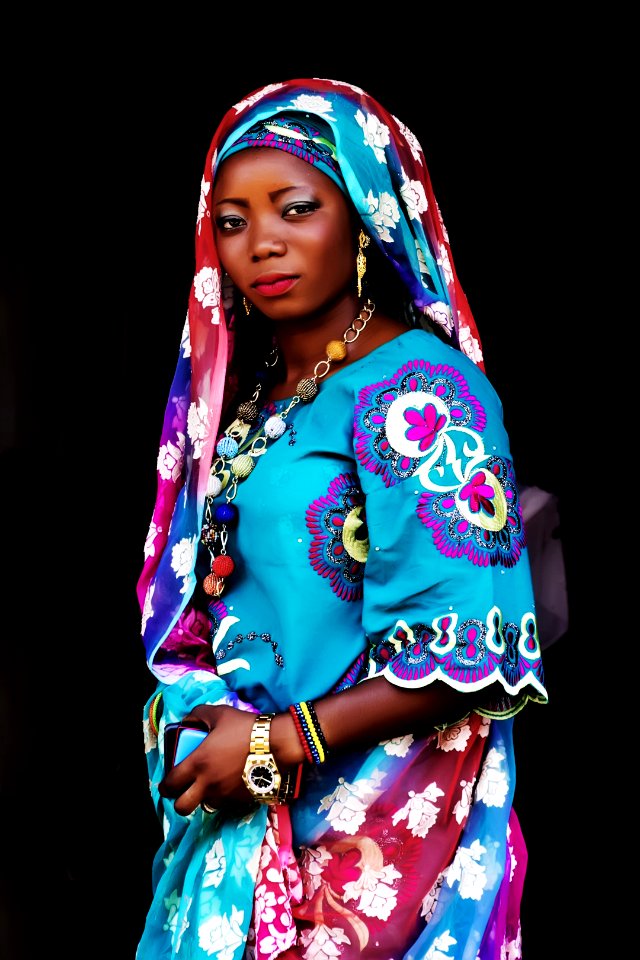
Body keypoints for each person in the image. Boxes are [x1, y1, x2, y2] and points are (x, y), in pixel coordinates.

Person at [135, 77, 548, 960]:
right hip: (243, 828)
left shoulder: (419, 393)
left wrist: (273, 745)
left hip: (377, 842)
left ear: (362, 216)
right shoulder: (251, 398)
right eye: (234, 221)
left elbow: (469, 650)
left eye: (295, 209)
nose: (263, 245)